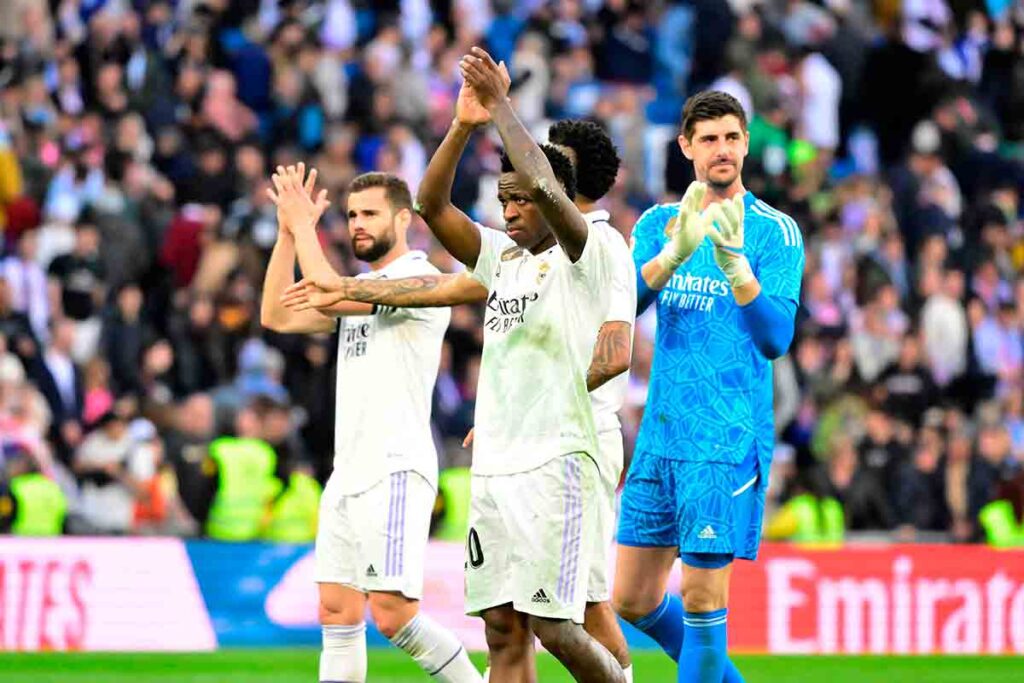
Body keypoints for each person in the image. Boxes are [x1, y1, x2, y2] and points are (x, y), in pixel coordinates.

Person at [281, 47, 625, 683]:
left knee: (558, 624)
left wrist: (502, 107)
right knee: (501, 629)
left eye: (520, 200)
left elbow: (544, 187)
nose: (509, 211)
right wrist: (464, 126)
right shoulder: (502, 259)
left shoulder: (593, 248)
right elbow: (433, 207)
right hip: (495, 466)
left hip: (558, 460)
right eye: (502, 201)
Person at [610, 91, 804, 683]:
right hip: (660, 437)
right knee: (632, 599)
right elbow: (621, 309)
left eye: (732, 137)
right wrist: (674, 254)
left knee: (700, 600)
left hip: (725, 438)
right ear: (686, 147)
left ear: (746, 143)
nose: (723, 149)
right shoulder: (658, 224)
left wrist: (737, 266)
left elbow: (775, 338)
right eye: (710, 138)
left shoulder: (776, 232)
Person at [260, 166, 479, 683]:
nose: (357, 223)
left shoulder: (422, 280)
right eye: (352, 214)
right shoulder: (356, 288)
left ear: (403, 219)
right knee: (336, 611)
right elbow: (276, 315)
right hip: (349, 471)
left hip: (396, 467)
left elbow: (327, 291)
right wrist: (288, 233)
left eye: (370, 214)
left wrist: (304, 226)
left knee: (394, 615)